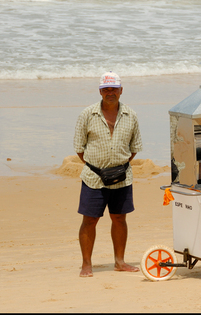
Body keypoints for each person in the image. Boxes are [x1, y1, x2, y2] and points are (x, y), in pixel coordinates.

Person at [73, 71, 143, 277]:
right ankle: (86, 264)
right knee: (89, 220)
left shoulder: (131, 115)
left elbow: (134, 147)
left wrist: (116, 169)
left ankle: (120, 262)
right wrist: (99, 168)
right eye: (106, 89)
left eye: (113, 88)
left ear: (121, 90)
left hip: (122, 177)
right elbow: (79, 148)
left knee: (119, 218)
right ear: (100, 91)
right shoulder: (87, 114)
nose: (110, 92)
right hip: (93, 177)